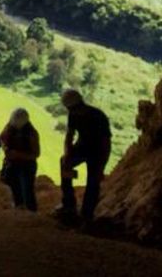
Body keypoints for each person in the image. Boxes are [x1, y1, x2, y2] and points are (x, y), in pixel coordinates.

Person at [59, 89, 111, 223]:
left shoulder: (98, 116)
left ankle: (86, 215)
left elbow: (106, 143)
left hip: (97, 151)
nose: (70, 111)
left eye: (70, 108)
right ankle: (69, 205)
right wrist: (67, 156)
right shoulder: (73, 114)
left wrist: (102, 167)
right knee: (64, 165)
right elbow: (69, 136)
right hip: (83, 147)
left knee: (93, 183)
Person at [0, 107, 40, 211]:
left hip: (27, 165)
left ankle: (31, 212)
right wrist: (5, 148)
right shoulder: (9, 127)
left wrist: (18, 154)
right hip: (13, 163)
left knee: (27, 190)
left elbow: (36, 154)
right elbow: (2, 138)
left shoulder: (31, 133)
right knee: (14, 185)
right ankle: (19, 207)